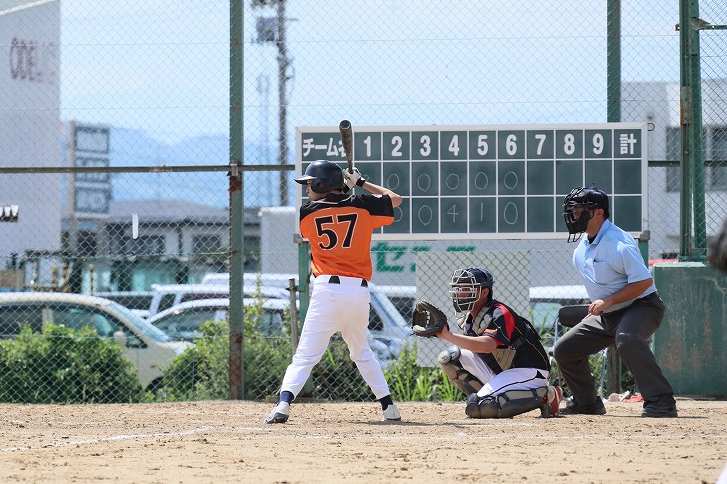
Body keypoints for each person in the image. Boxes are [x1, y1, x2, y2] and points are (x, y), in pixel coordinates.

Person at [264, 159, 403, 424]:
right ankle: (389, 408)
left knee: (306, 355)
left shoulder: (307, 212)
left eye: (310, 184)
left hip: (327, 291)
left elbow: (334, 209)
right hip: (359, 293)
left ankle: (282, 406)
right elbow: (394, 199)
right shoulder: (363, 205)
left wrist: (346, 189)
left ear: (321, 185)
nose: (307, 189)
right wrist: (360, 183)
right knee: (362, 352)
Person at [554, 186, 678, 417]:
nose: (574, 214)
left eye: (581, 209)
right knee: (565, 349)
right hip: (608, 315)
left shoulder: (618, 242)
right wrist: (603, 304)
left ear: (599, 213)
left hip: (642, 306)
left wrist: (608, 301)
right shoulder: (581, 248)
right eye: (573, 209)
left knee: (627, 337)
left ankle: (661, 400)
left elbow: (643, 282)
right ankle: (587, 403)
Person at [434, 266, 562, 419]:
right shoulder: (469, 319)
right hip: (503, 373)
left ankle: (547, 395)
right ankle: (490, 397)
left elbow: (487, 345)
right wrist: (438, 332)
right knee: (450, 358)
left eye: (467, 289)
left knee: (480, 406)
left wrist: (448, 335)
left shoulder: (499, 312)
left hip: (529, 372)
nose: (460, 293)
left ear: (484, 292)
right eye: (459, 289)